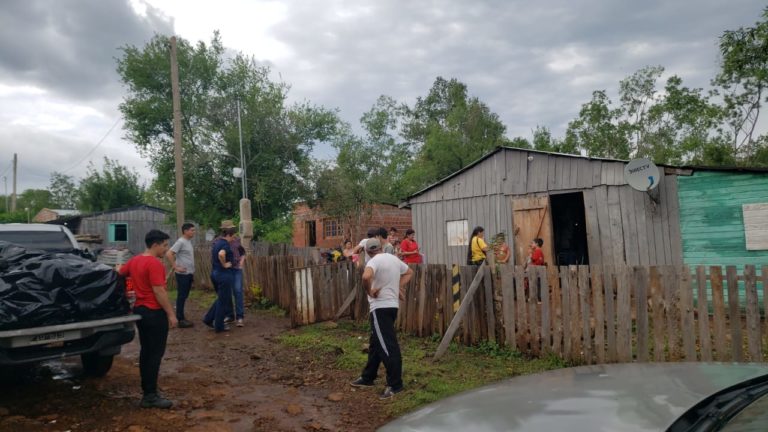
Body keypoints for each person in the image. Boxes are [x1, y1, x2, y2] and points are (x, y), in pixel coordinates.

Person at [117, 229, 177, 409]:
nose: (166, 250)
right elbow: (159, 291)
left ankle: (148, 390)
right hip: (154, 312)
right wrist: (171, 314)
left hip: (140, 311)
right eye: (165, 245)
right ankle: (150, 396)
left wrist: (126, 295)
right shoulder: (154, 263)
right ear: (155, 244)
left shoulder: (135, 260)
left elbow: (120, 273)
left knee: (146, 352)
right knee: (154, 354)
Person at [350, 239, 413, 399]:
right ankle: (368, 377)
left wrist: (370, 291)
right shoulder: (393, 259)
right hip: (392, 306)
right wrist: (398, 287)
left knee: (387, 345)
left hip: (380, 308)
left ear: (367, 251)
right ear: (380, 248)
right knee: (376, 343)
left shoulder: (374, 261)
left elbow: (366, 277)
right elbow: (409, 272)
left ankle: (395, 384)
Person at [203, 221, 237, 333]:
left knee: (222, 299)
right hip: (223, 275)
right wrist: (225, 264)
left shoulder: (217, 242)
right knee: (223, 300)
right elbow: (221, 254)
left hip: (215, 273)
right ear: (229, 234)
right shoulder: (225, 244)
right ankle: (219, 326)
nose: (234, 238)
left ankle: (208, 319)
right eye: (233, 235)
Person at [166, 222, 196, 328]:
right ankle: (180, 319)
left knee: (184, 295)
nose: (194, 232)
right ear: (185, 231)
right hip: (182, 274)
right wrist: (175, 266)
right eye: (192, 230)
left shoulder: (188, 241)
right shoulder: (181, 242)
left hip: (188, 273)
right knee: (181, 296)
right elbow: (169, 253)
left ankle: (180, 315)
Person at [225, 234, 247, 327]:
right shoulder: (220, 241)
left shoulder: (236, 239)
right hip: (226, 270)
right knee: (227, 292)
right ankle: (230, 315)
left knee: (238, 291)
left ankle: (240, 317)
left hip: (236, 269)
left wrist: (241, 262)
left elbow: (242, 252)